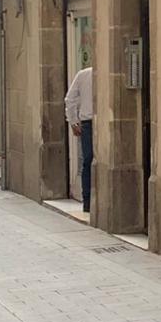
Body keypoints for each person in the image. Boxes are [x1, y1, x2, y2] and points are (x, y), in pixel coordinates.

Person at [64, 63, 95, 213]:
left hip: (87, 122)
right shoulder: (84, 75)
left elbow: (70, 99)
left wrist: (73, 121)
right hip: (91, 122)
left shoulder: (84, 74)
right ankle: (89, 200)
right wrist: (73, 120)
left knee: (88, 160)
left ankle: (87, 202)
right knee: (90, 161)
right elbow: (70, 99)